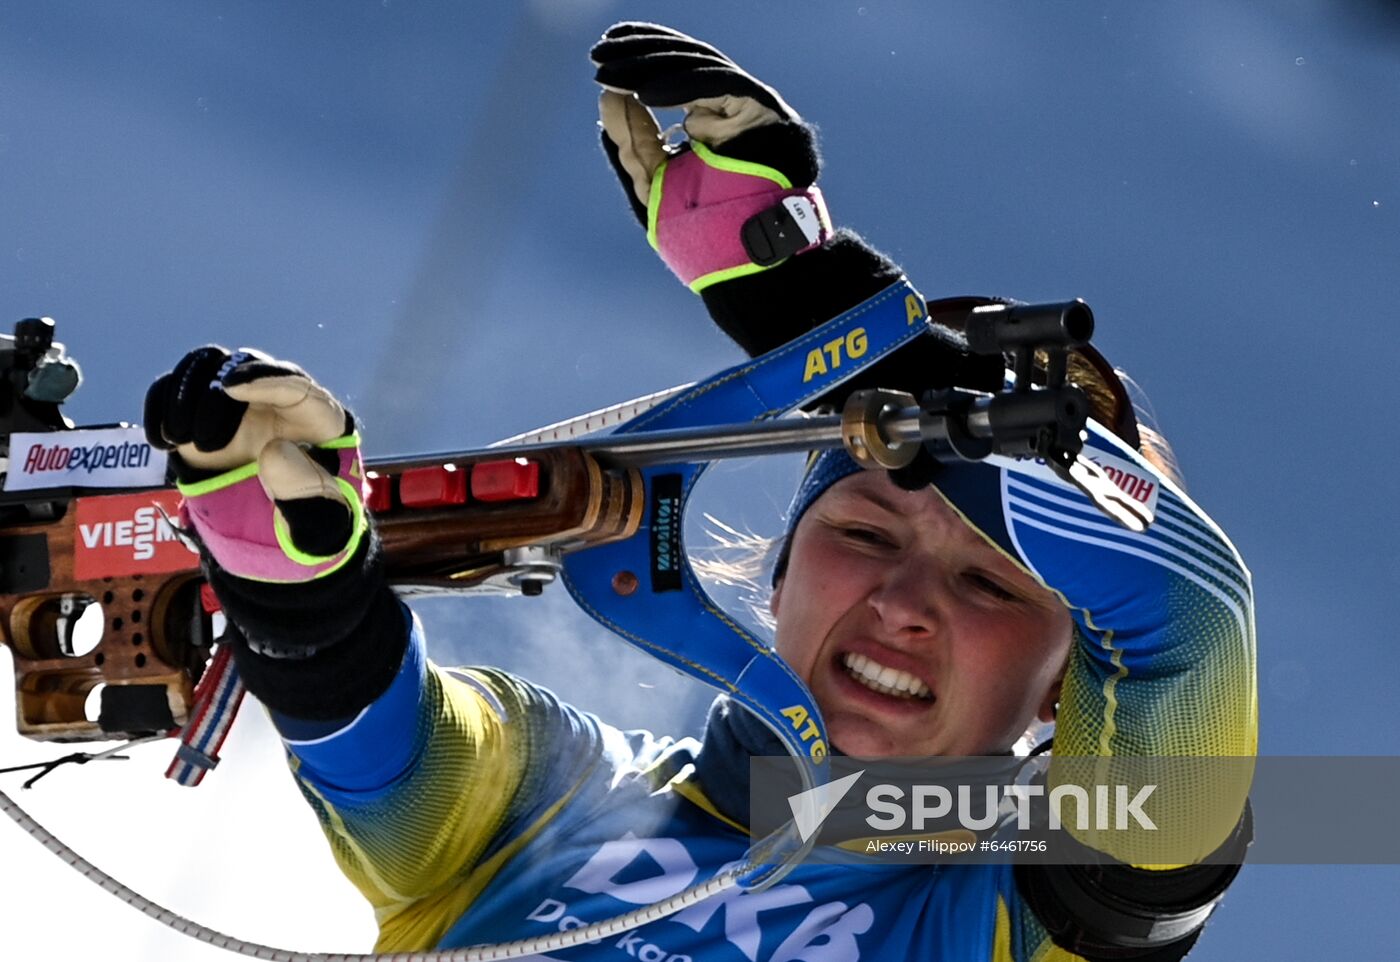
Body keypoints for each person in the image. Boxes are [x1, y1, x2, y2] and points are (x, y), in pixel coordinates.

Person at [144, 23, 1256, 961]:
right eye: (864, 528)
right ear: (779, 562)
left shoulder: (1017, 917)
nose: (904, 603)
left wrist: (810, 303)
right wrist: (294, 585)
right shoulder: (543, 791)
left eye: (986, 578)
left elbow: (1192, 615)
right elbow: (370, 726)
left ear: (1073, 684)